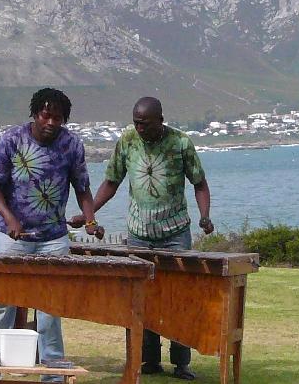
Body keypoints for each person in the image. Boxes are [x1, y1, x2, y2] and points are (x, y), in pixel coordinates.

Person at [72, 96, 213, 381]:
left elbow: (200, 184)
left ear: (161, 119)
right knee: (140, 298)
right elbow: (111, 181)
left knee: (178, 298)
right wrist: (88, 213)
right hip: (138, 234)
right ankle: (148, 359)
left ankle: (181, 362)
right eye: (136, 123)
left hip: (175, 234)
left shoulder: (181, 143)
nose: (140, 129)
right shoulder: (126, 141)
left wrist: (205, 216)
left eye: (145, 124)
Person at [0, 88, 99, 382]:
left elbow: (82, 188)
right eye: (46, 115)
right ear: (35, 113)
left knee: (50, 307)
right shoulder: (11, 139)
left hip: (53, 238)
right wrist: (10, 218)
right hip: (9, 236)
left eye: (58, 117)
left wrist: (91, 220)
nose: (52, 122)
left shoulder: (72, 145)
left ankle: (53, 374)